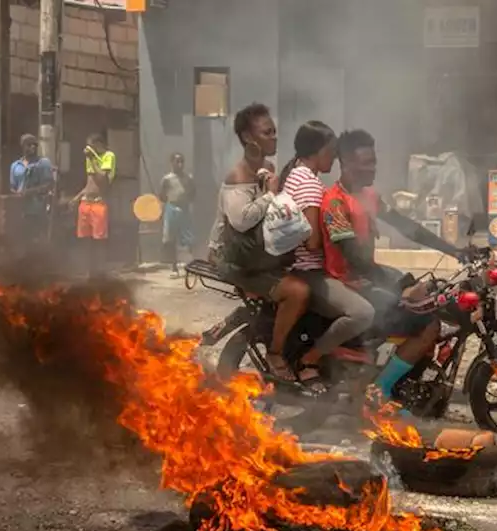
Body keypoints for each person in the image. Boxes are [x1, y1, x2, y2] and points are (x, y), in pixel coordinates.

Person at [319, 129, 441, 408]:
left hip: (368, 278)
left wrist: (456, 250)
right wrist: (400, 284)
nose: (374, 167)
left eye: (374, 161)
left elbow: (407, 227)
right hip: (350, 284)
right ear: (347, 163)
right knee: (427, 322)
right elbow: (354, 260)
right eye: (367, 162)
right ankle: (380, 393)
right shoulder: (335, 202)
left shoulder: (369, 196)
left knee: (430, 299)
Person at [207, 103, 311, 377]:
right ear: (247, 138)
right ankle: (275, 355)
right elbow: (241, 220)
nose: (274, 137)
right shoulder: (238, 175)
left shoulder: (267, 167)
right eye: (267, 133)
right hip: (236, 259)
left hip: (257, 255)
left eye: (274, 131)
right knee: (297, 292)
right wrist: (270, 194)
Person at [273, 120, 376, 391]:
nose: (333, 157)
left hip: (301, 268)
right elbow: (312, 243)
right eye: (331, 151)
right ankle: (310, 360)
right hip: (309, 271)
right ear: (317, 151)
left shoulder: (296, 173)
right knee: (362, 313)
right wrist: (333, 229)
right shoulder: (308, 183)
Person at [73, 133, 115, 275]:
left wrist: (93, 158)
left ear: (98, 144)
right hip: (86, 203)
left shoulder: (108, 156)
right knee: (84, 239)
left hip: (99, 203)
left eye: (91, 145)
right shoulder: (89, 159)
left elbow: (102, 178)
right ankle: (87, 270)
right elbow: (90, 183)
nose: (88, 149)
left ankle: (100, 270)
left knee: (99, 240)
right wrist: (77, 198)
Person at [9, 134, 54, 244]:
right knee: (21, 239)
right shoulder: (15, 166)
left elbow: (49, 185)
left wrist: (30, 192)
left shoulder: (43, 163)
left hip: (38, 209)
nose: (32, 147)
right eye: (29, 145)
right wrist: (17, 194)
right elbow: (12, 187)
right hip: (20, 210)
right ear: (23, 146)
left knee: (36, 239)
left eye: (35, 145)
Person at [158, 152, 195, 278]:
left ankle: (190, 266)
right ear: (172, 162)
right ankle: (174, 268)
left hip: (184, 209)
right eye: (177, 161)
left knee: (187, 238)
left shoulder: (188, 178)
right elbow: (162, 195)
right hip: (171, 208)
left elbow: (192, 193)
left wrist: (185, 202)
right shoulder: (167, 179)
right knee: (171, 239)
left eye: (181, 161)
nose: (179, 164)